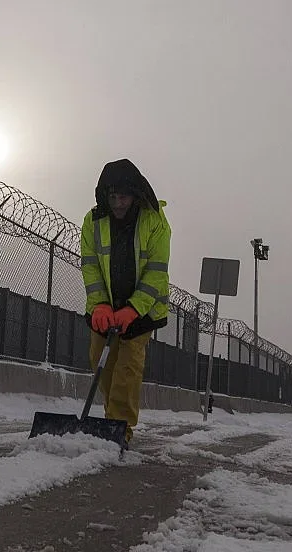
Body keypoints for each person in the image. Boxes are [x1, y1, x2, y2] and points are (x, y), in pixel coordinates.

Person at [80, 159, 171, 449]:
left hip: (143, 309)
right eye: (113, 197)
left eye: (124, 197)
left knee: (127, 367)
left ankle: (119, 427)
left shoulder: (154, 222)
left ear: (136, 195)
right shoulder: (92, 221)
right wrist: (100, 305)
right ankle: (111, 415)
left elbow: (156, 272)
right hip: (107, 305)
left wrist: (133, 308)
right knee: (100, 359)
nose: (118, 204)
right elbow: (91, 266)